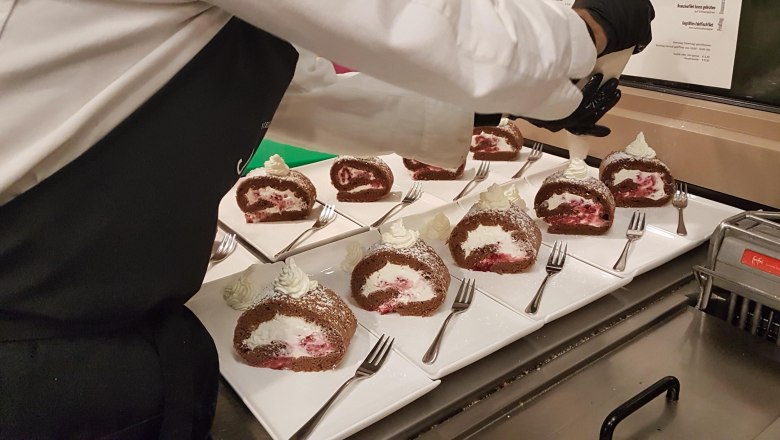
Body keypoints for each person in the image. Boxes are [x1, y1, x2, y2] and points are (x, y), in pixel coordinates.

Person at [0, 0, 653, 438]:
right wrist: (588, 29)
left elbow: (294, 86)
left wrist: (477, 111)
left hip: (101, 331)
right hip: (33, 356)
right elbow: (425, 20)